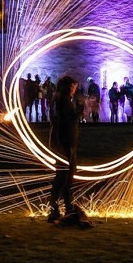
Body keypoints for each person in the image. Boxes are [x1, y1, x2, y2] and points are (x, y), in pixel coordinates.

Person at [47, 75, 91, 228]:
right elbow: (66, 121)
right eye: (73, 87)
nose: (74, 90)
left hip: (65, 142)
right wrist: (80, 110)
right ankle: (63, 207)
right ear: (67, 87)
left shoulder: (62, 100)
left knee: (63, 175)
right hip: (64, 142)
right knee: (66, 175)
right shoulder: (63, 101)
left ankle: (58, 208)